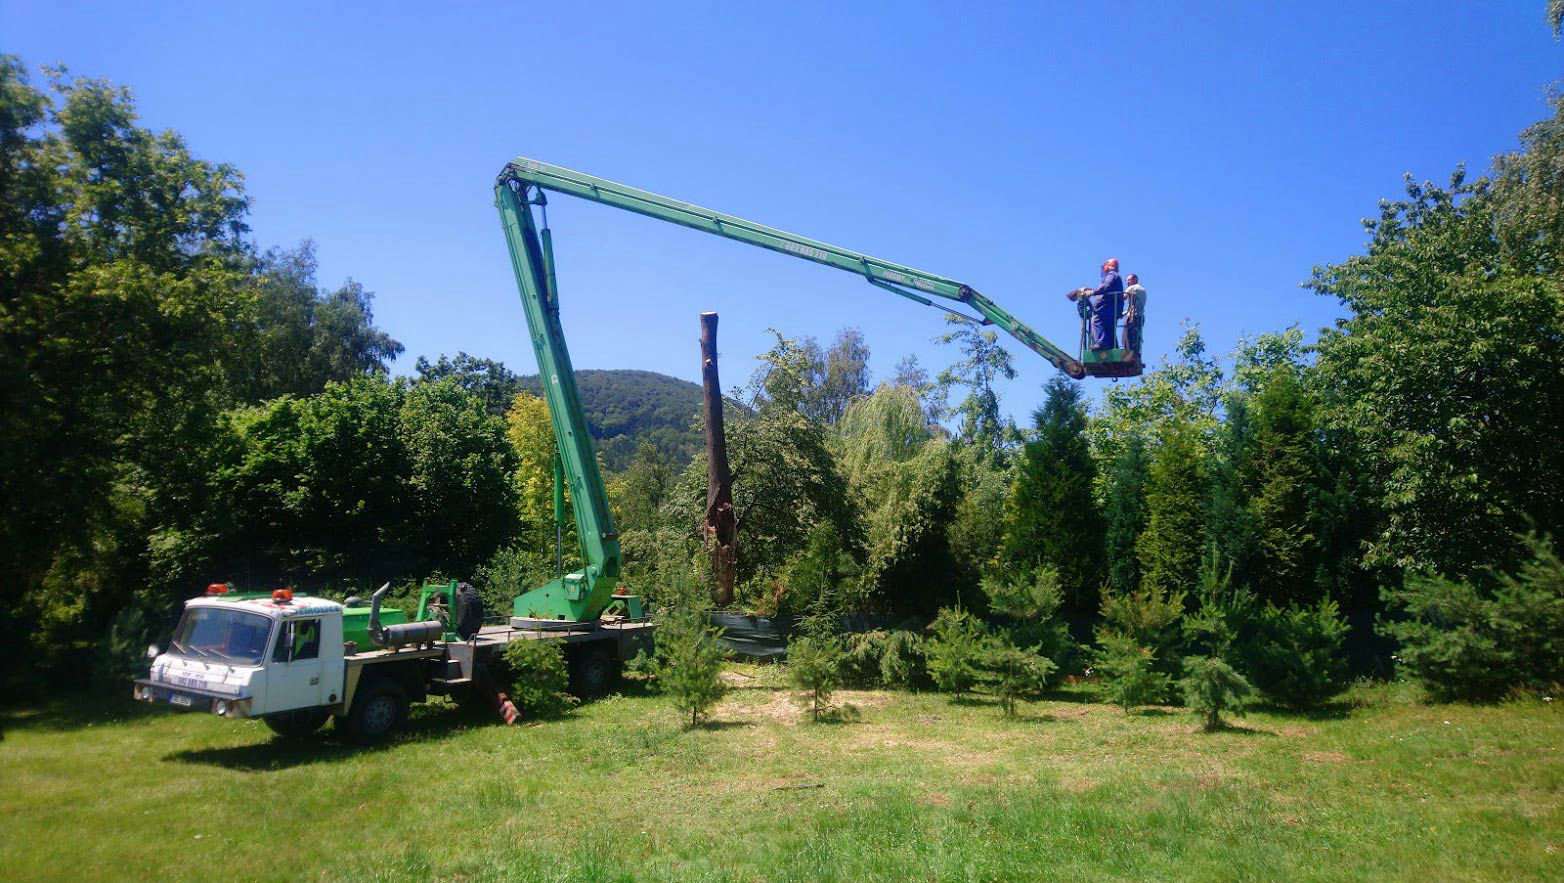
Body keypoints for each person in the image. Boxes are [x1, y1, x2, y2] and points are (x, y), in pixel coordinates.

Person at [1073, 258, 1122, 350]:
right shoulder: (1116, 276)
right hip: (1112, 308)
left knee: (1096, 320)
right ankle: (1113, 346)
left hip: (1107, 307)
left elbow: (1105, 286)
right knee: (1109, 327)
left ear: (1110, 265)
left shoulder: (1112, 275)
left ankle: (1102, 343)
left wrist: (1091, 292)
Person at [1122, 273, 1147, 358]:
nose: (1127, 282)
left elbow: (1123, 298)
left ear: (1135, 279)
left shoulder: (1132, 287)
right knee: (1136, 337)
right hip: (1140, 317)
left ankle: (1127, 353)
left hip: (1132, 317)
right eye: (1127, 281)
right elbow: (1134, 306)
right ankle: (1135, 353)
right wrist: (1123, 313)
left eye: (1129, 280)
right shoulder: (1143, 290)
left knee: (1126, 337)